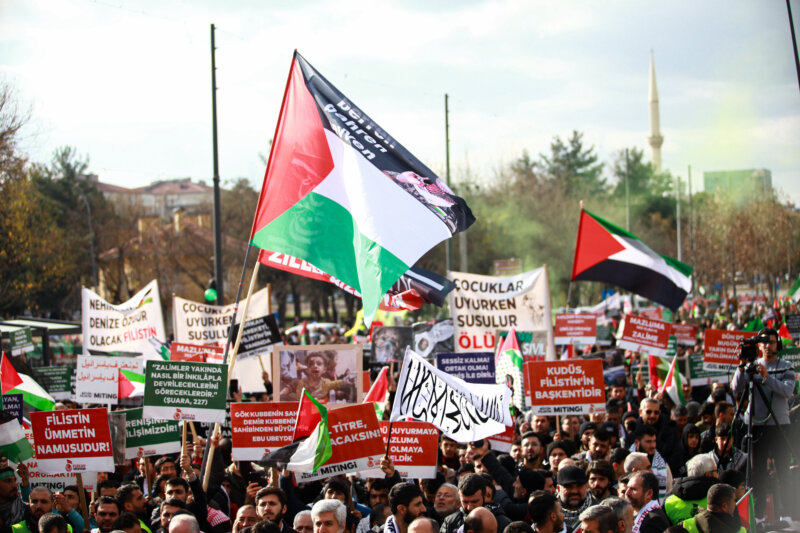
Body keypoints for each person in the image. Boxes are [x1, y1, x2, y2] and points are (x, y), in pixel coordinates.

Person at [731, 327, 795, 516]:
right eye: (764, 342)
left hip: (779, 425)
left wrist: (766, 377)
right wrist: (742, 366)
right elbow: (736, 387)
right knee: (756, 473)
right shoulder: (752, 365)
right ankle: (757, 515)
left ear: (778, 345)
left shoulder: (787, 366)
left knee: (783, 470)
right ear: (759, 345)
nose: (767, 346)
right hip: (756, 425)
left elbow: (788, 391)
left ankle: (788, 514)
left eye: (772, 342)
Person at [663, 455, 718, 526]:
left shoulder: (668, 501)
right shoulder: (719, 498)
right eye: (716, 471)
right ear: (708, 475)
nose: (717, 474)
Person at [678, 484, 744, 533]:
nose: (735, 504)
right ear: (724, 506)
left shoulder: (685, 526)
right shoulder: (740, 531)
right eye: (734, 501)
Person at [555, 466, 595, 533]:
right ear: (558, 489)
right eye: (568, 486)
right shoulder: (549, 513)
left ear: (586, 486)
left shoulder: (597, 511)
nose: (574, 491)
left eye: (579, 486)